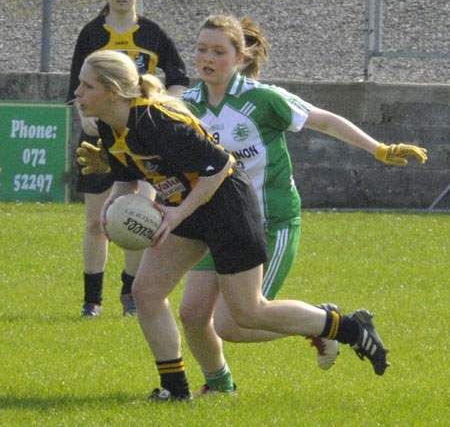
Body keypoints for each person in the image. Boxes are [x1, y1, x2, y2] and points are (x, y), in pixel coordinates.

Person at [75, 49, 397, 403]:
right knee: (147, 292)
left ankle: (349, 327)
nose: (78, 93)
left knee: (247, 312)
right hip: (188, 207)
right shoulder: (109, 125)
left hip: (227, 205)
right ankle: (177, 391)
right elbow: (127, 180)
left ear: (115, 91)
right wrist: (113, 208)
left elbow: (219, 166)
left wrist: (176, 214)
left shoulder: (154, 120)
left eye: (87, 86)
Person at [175, 14, 428, 394]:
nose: (207, 58)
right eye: (200, 49)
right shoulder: (187, 105)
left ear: (240, 56)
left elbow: (324, 121)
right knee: (193, 314)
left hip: (270, 222)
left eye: (218, 51)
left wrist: (378, 148)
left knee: (235, 323)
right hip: (220, 223)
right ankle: (220, 386)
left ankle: (329, 323)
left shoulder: (262, 99)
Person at [66, 0, 189, 317]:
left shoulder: (153, 33)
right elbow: (75, 88)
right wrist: (84, 115)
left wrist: (166, 107)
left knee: (140, 217)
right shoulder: (92, 34)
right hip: (100, 139)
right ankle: (92, 301)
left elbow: (180, 77)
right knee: (96, 221)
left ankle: (130, 295)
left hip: (145, 139)